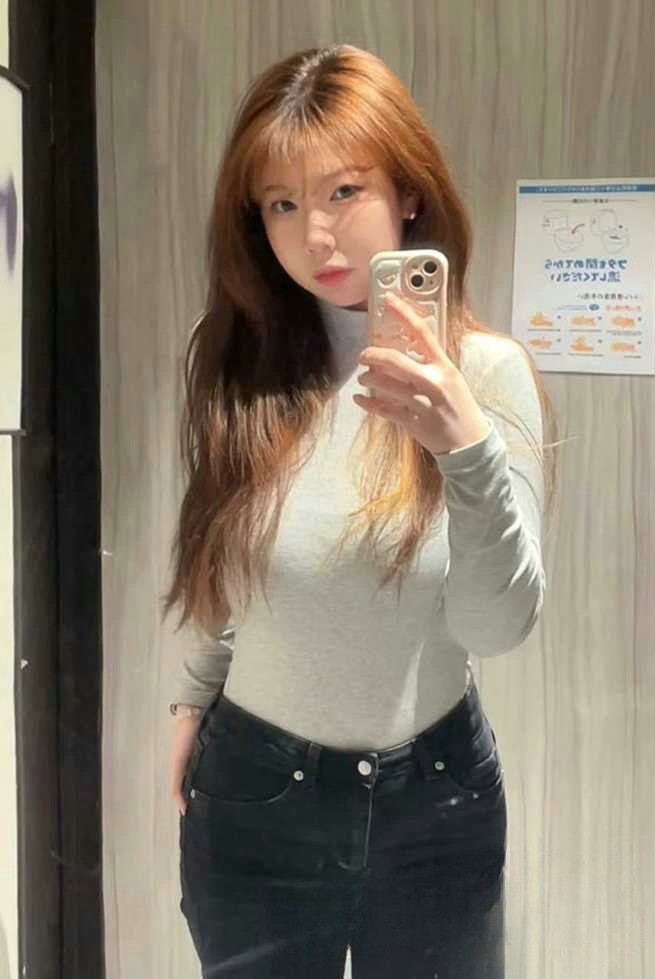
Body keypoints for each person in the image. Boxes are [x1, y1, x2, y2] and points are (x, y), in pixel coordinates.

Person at [161, 43, 557, 979]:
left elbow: (496, 626)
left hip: (435, 802)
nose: (316, 237)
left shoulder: (485, 374)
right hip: (253, 787)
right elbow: (228, 560)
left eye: (343, 191)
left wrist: (465, 446)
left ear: (408, 190)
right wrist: (192, 695)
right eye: (280, 204)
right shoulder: (234, 363)